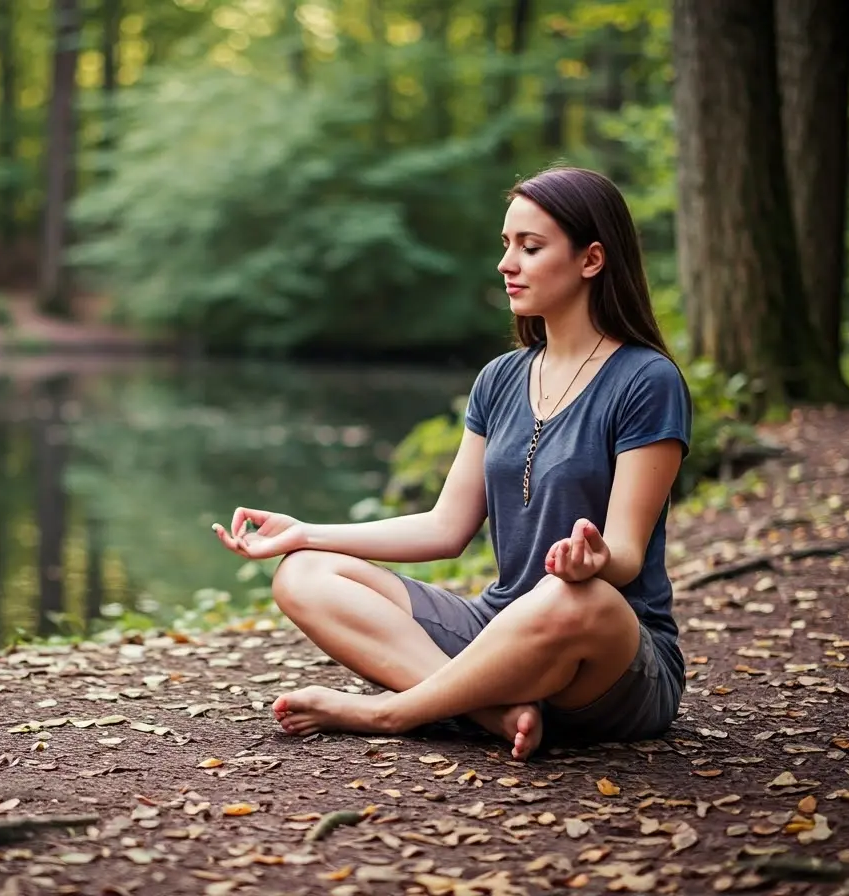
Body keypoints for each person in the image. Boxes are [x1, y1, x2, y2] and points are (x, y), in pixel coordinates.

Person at [211, 166, 691, 761]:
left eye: (530, 247)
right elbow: (445, 528)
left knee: (575, 597)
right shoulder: (500, 378)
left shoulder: (646, 381)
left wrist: (592, 561)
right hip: (500, 627)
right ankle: (495, 713)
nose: (507, 263)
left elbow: (624, 557)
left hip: (609, 657)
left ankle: (394, 712)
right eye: (506, 245)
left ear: (591, 260)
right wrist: (305, 534)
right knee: (304, 574)